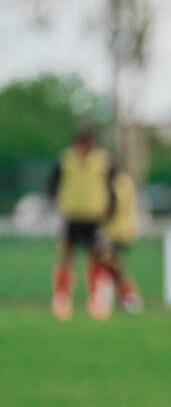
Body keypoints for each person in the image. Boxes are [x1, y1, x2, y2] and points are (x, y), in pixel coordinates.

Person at [47, 125, 115, 320]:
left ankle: (96, 300)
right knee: (66, 258)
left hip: (94, 218)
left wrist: (109, 207)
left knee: (96, 259)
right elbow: (52, 183)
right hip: (72, 216)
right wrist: (56, 200)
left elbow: (111, 187)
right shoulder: (65, 160)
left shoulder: (103, 160)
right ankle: (62, 299)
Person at [98, 167, 143, 313]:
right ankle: (125, 298)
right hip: (126, 229)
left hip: (114, 231)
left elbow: (112, 205)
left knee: (113, 266)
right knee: (114, 266)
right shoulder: (126, 182)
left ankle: (130, 298)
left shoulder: (114, 184)